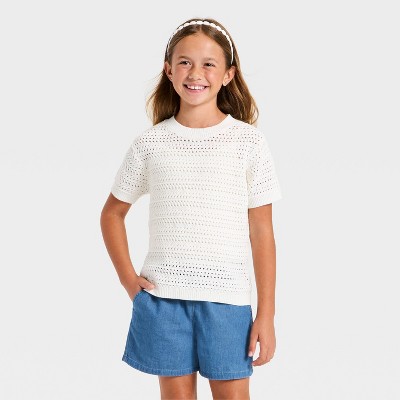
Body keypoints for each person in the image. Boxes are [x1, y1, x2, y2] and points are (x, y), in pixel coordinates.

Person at [100, 17, 283, 400]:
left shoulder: (248, 143)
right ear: (169, 70)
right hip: (163, 300)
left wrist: (265, 314)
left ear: (228, 74)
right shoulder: (150, 144)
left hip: (228, 303)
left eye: (208, 64)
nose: (195, 73)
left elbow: (262, 231)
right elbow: (112, 214)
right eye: (184, 62)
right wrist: (129, 281)